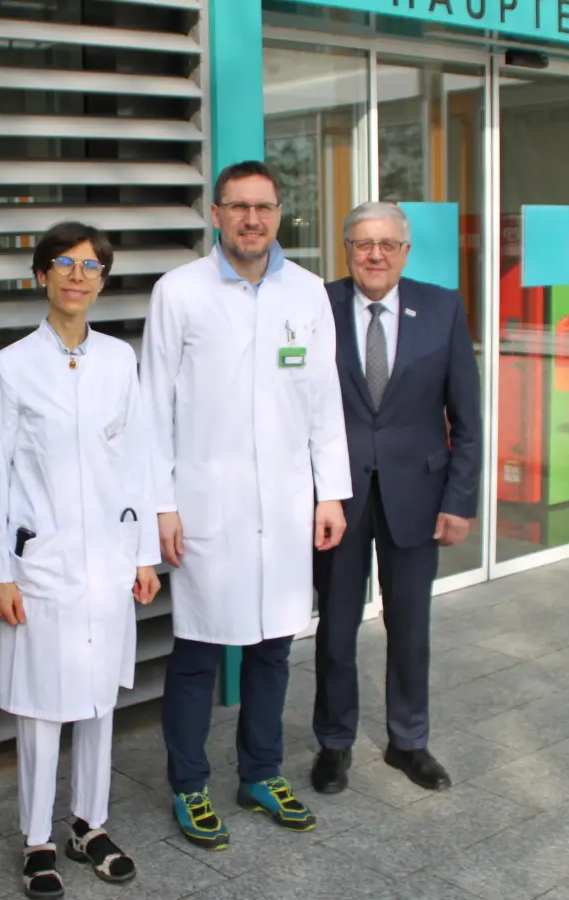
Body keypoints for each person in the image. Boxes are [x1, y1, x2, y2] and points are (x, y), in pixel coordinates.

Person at [139, 160, 352, 850]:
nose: (251, 220)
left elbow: (324, 403)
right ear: (216, 213)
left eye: (263, 207)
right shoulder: (179, 292)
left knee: (272, 648)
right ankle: (190, 784)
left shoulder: (310, 292)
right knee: (198, 650)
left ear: (280, 213)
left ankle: (260, 773)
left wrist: (332, 494)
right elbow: (153, 408)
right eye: (238, 207)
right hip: (206, 507)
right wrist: (162, 506)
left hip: (287, 506)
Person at [0, 221, 162, 898]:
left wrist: (144, 553)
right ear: (41, 277)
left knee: (97, 702)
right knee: (41, 709)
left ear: (103, 281)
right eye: (65, 264)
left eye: (92, 266)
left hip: (108, 562)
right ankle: (36, 840)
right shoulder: (13, 365)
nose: (78, 276)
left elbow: (137, 459)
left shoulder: (120, 359)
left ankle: (91, 824)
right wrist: (0, 570)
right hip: (42, 564)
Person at [310, 201, 480, 796]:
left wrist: (460, 499)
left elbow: (468, 416)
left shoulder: (442, 308)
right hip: (337, 496)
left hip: (419, 493)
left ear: (405, 251)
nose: (374, 254)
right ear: (347, 249)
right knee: (335, 628)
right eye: (363, 244)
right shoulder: (316, 306)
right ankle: (334, 742)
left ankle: (409, 742)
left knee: (410, 627)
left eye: (386, 244)